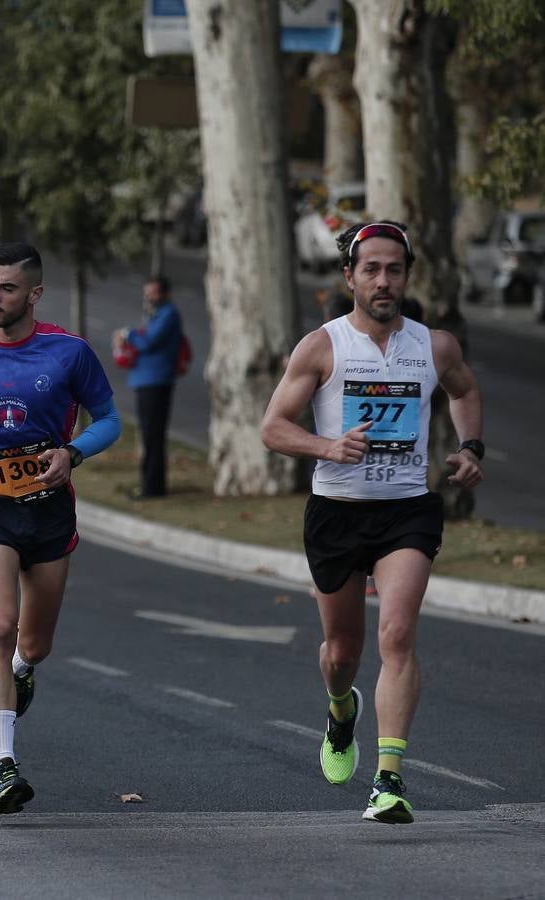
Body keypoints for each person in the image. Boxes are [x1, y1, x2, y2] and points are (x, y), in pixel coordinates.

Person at [260, 221, 484, 825]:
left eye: (394, 270)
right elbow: (273, 426)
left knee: (397, 636)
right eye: (372, 270)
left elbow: (463, 391)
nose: (383, 281)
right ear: (350, 277)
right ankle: (340, 709)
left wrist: (471, 447)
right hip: (336, 511)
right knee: (342, 653)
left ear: (407, 276)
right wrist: (326, 447)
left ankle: (388, 779)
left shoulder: (434, 346)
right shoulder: (322, 346)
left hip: (406, 510)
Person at [0, 242, 122, 814]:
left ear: (35, 294)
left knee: (33, 643)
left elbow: (111, 420)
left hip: (49, 509)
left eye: (8, 288)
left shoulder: (69, 353)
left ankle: (23, 670)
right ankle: (3, 768)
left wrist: (73, 452)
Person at [113, 275, 183, 499]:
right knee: (149, 435)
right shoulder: (154, 314)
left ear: (165, 293)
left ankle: (152, 489)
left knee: (153, 436)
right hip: (145, 381)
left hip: (156, 381)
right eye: (147, 292)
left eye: (153, 292)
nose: (149, 297)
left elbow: (148, 342)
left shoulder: (169, 314)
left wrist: (128, 334)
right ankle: (149, 484)